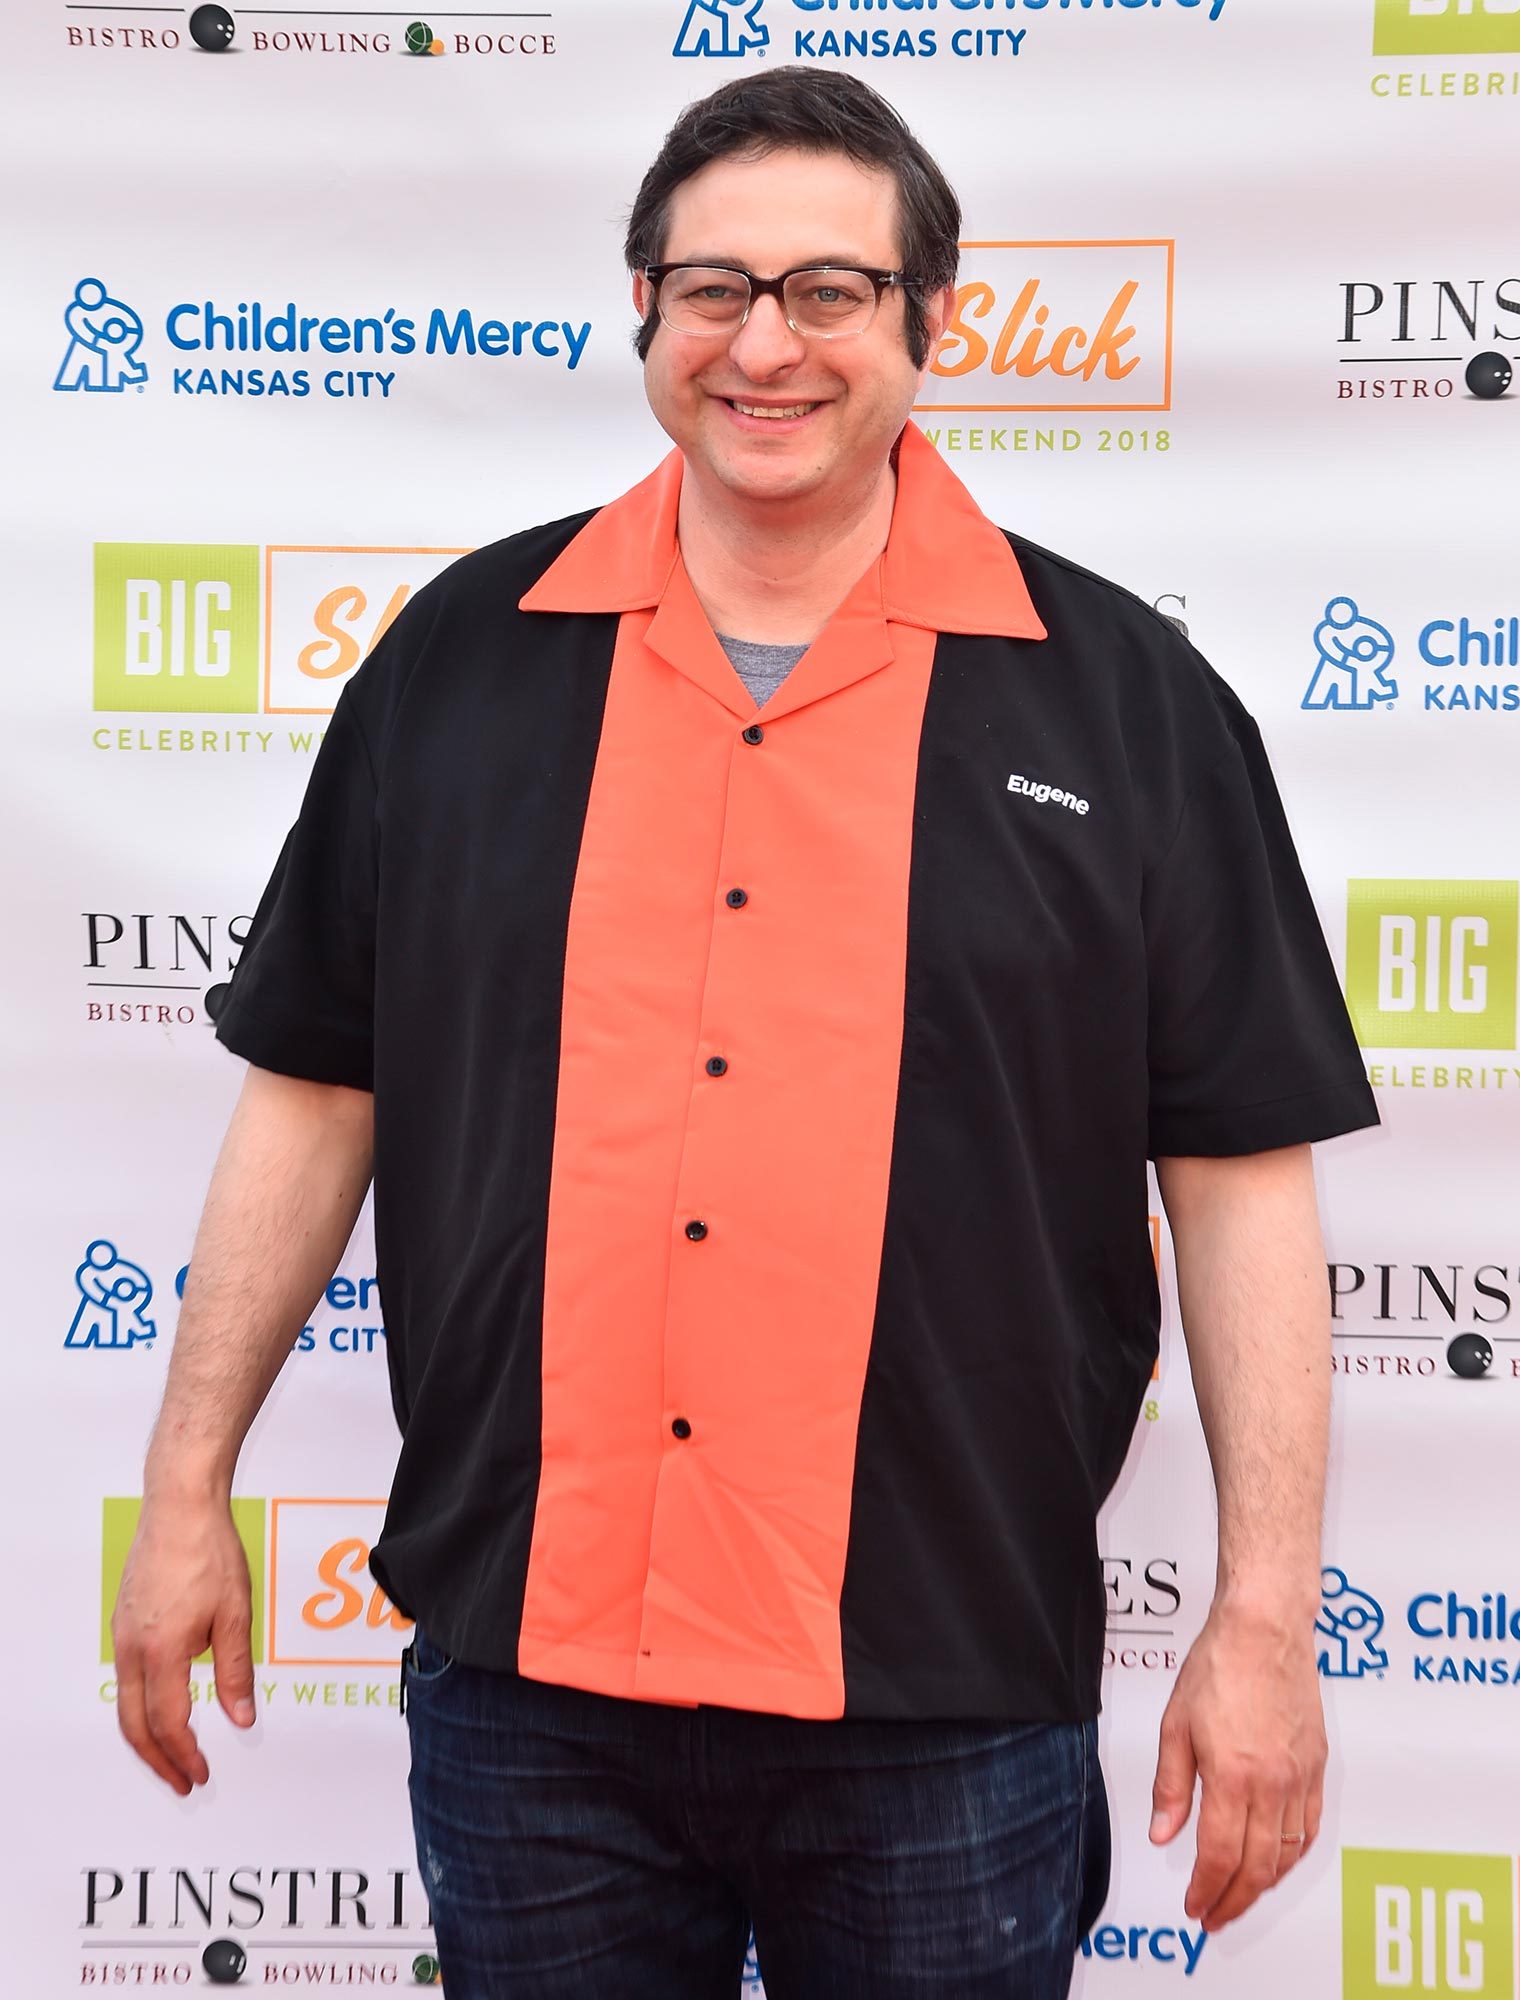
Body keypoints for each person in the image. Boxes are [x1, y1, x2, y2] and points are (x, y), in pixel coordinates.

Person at [110, 67, 1379, 2000]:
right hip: (532, 1697)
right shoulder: (463, 662)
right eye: (710, 288)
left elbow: (1238, 1187)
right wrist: (187, 1486)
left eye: (825, 291)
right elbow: (313, 1094)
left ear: (925, 327)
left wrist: (1266, 1621)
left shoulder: (1126, 706)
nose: (761, 344)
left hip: (941, 1703)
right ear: (641, 311)